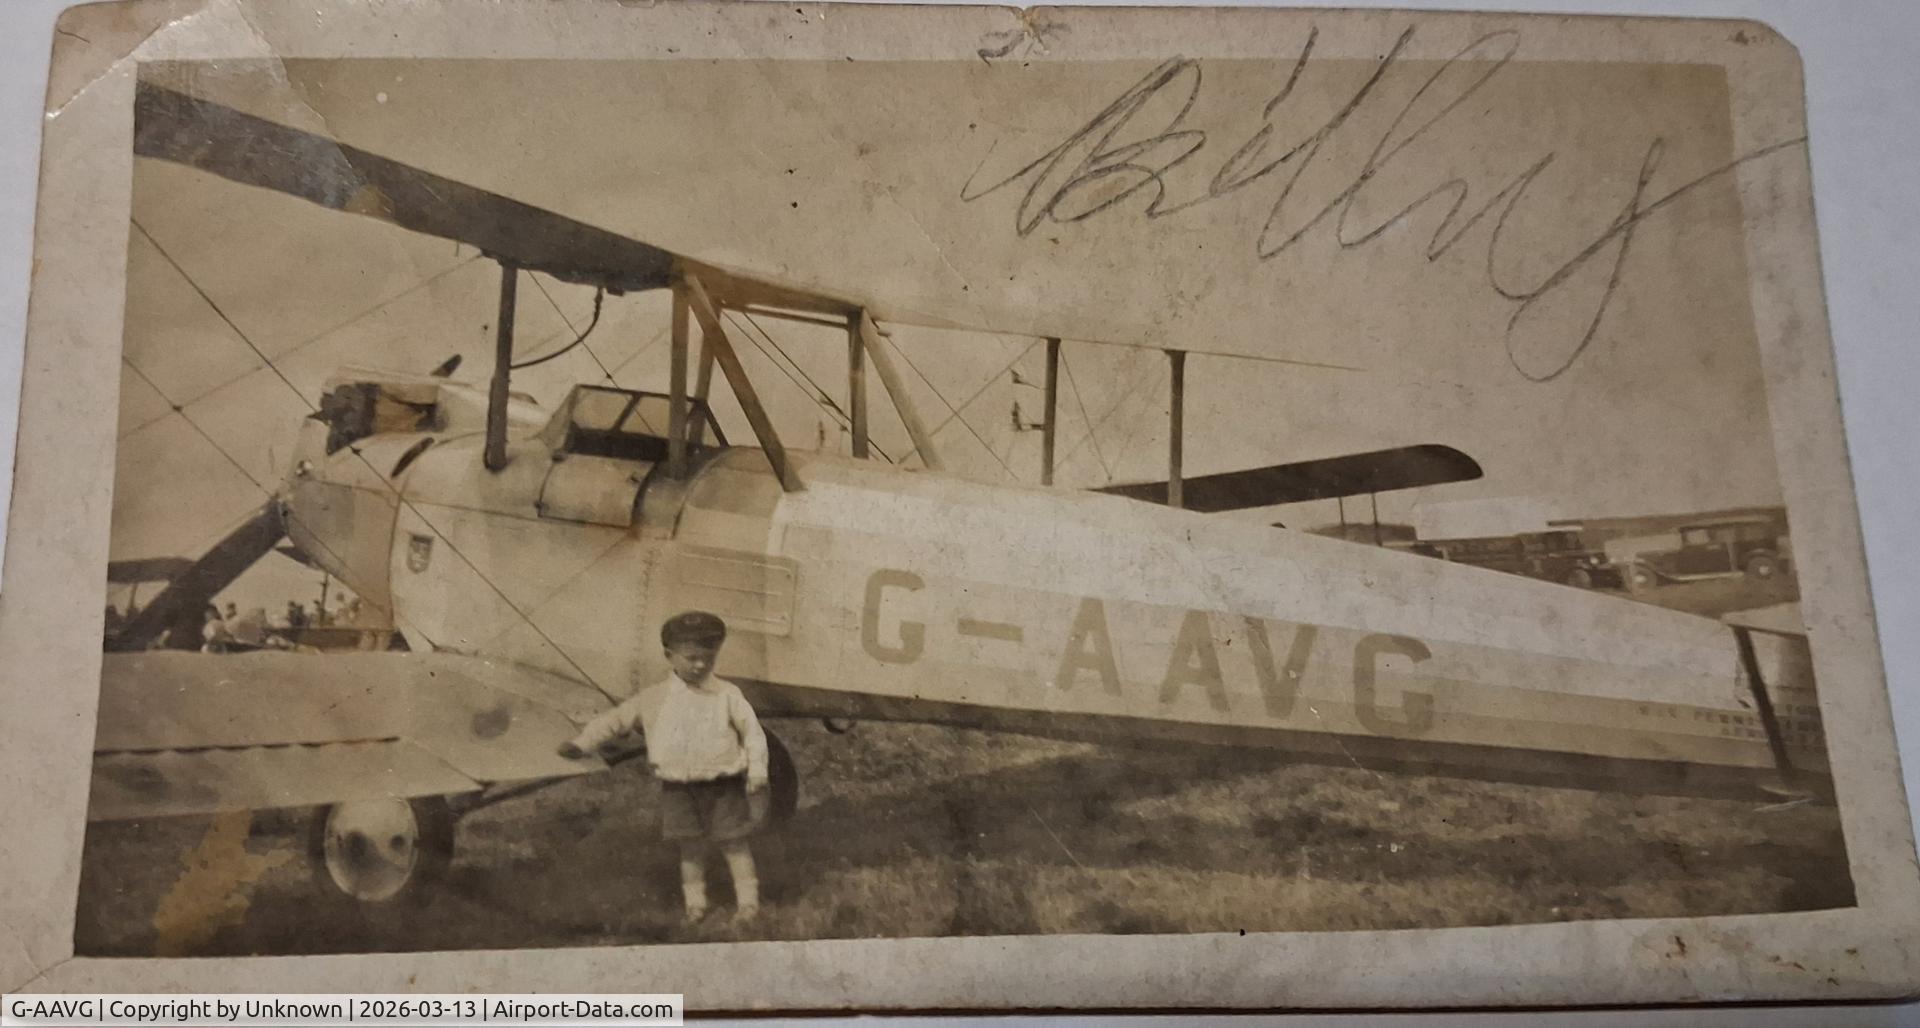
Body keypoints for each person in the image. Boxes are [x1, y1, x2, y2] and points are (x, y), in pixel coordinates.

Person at [558, 611, 769, 924]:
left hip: (722, 784)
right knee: (690, 848)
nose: (700, 665)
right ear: (670, 656)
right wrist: (583, 743)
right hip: (678, 788)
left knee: (734, 843)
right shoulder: (655, 697)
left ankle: (749, 904)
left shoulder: (728, 695)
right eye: (691, 657)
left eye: (708, 658)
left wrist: (757, 771)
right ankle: (695, 905)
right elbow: (616, 720)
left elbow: (753, 732)